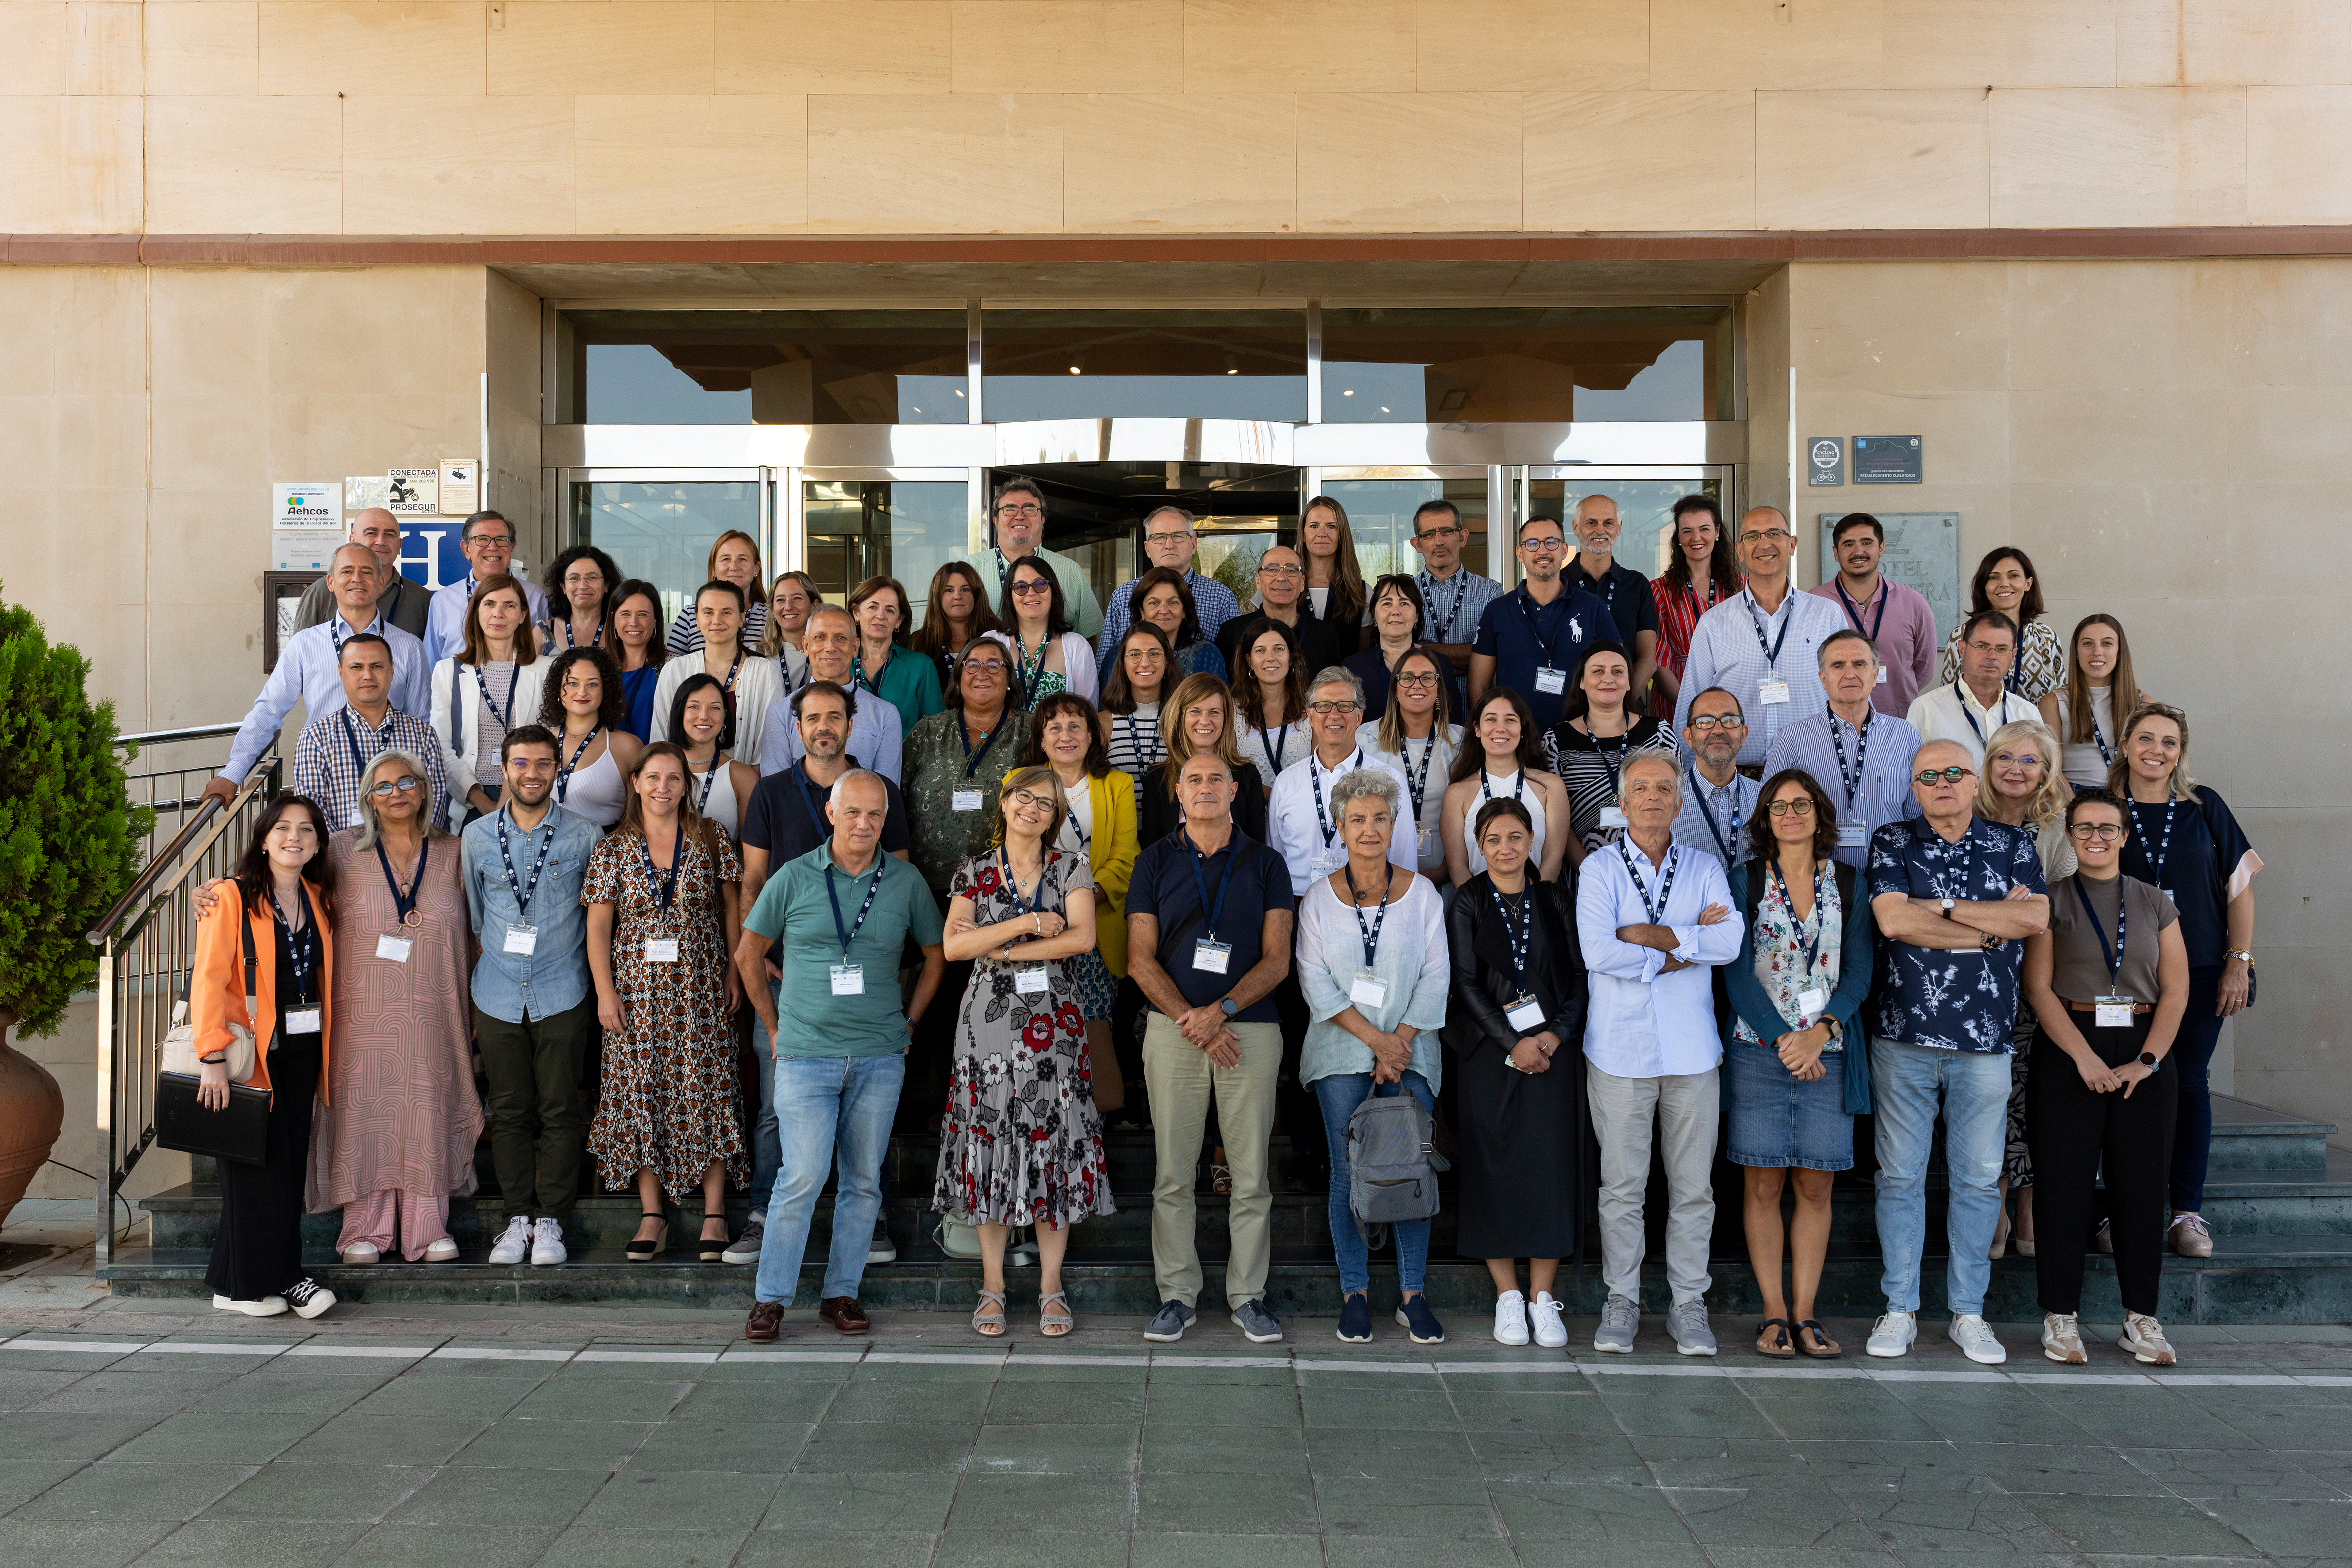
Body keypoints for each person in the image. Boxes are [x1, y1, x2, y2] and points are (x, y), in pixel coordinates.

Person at [736, 769, 946, 1342]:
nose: (864, 823)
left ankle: (840, 1293)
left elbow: (935, 955)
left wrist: (909, 1020)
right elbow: (748, 952)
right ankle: (770, 1299)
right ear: (831, 813)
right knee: (801, 1174)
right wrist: (772, 1025)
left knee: (862, 1181)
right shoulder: (793, 875)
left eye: (875, 814)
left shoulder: (904, 881)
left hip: (879, 1055)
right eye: (852, 812)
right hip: (804, 1051)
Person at [1863, 738, 2051, 1365]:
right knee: (1899, 1178)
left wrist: (1936, 908)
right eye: (1927, 775)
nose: (1941, 783)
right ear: (1912, 788)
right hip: (1902, 1036)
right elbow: (1892, 920)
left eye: (1952, 773)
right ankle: (1900, 1308)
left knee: (1975, 1181)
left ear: (1974, 782)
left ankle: (1968, 1312)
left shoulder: (2013, 844)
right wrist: (1985, 929)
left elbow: (2034, 919)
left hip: (1984, 1042)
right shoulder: (1892, 840)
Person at [727, 681, 913, 1268]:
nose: (824, 726)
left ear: (852, 725)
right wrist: (756, 950)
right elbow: (752, 879)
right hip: (787, 972)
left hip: (866, 980)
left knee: (868, 1097)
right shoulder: (771, 792)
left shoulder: (880, 793)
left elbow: (899, 882)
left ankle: (870, 1212)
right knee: (777, 1103)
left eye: (835, 716)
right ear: (796, 727)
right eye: (812, 718)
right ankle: (763, 1212)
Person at [934, 765, 1116, 1338]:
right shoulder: (974, 868)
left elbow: (1082, 936)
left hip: (1052, 1028)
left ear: (1053, 814)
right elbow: (954, 944)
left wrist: (1008, 952)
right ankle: (991, 1287)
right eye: (1023, 797)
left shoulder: (1070, 866)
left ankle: (1050, 1287)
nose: (1031, 807)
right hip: (983, 1032)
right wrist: (1028, 923)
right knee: (988, 1143)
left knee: (1050, 1146)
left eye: (1044, 801)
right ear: (1005, 802)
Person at [1126, 751, 1297, 1346]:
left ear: (1233, 792)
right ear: (1178, 792)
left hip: (1248, 1031)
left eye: (1215, 780)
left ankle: (1247, 1295)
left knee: (1249, 1175)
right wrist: (1191, 1018)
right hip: (1173, 1032)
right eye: (1193, 779)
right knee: (1173, 1174)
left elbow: (1277, 958)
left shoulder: (1266, 862)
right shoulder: (1153, 861)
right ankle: (1177, 1294)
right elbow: (1138, 958)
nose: (1204, 788)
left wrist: (1219, 1011)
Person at [1576, 752, 1741, 1355]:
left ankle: (1687, 1302)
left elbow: (1728, 940)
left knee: (1693, 1187)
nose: (1651, 796)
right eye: (1639, 788)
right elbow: (1597, 950)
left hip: (1692, 1050)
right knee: (1622, 1186)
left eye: (1663, 788)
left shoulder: (1702, 867)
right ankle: (1621, 1299)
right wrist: (1682, 945)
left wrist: (1645, 936)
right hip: (1618, 1052)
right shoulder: (1597, 869)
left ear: (1678, 802)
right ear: (1622, 803)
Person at [2023, 787, 2192, 1367]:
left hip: (2143, 1055)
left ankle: (2140, 1316)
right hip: (2070, 1049)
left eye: (2106, 827)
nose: (2095, 837)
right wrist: (2083, 1059)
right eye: (2084, 827)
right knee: (2062, 1188)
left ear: (2123, 835)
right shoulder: (2051, 900)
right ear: (2068, 835)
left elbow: (2175, 988)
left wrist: (2144, 1061)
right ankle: (2059, 1315)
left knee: (2141, 1191)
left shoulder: (2153, 902)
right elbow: (2038, 988)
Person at [1722, 769, 1876, 1360]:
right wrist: (1785, 1039)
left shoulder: (1847, 880)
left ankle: (1806, 1311)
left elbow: (1858, 971)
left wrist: (1819, 1033)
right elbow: (1735, 974)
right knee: (1762, 1181)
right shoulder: (1746, 880)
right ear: (1765, 817)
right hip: (1757, 1049)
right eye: (1779, 805)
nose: (1790, 813)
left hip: (1829, 1052)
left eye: (1801, 803)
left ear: (1818, 814)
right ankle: (1772, 1313)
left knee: (1815, 1184)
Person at [1295, 769, 1451, 1345]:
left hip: (1412, 1047)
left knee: (1407, 1168)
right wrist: (1373, 1040)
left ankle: (1413, 1295)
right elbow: (1314, 981)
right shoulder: (1316, 898)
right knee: (1349, 1171)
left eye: (1378, 818)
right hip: (1340, 1049)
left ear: (1393, 825)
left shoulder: (1423, 895)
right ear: (1339, 827)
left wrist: (1397, 1041)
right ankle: (1354, 1292)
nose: (1368, 828)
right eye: (1356, 819)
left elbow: (1437, 975)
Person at [311, 748, 480, 1266]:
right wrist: (217, 891)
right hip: (361, 1014)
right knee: (367, 1111)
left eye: (407, 782)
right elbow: (279, 883)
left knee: (428, 1106)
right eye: (382, 787)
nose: (397, 793)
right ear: (367, 800)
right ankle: (364, 1227)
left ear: (426, 790)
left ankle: (428, 1229)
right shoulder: (339, 851)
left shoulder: (456, 851)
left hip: (436, 1006)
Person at [585, 743, 747, 1264]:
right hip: (635, 996)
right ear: (635, 782)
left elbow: (731, 908)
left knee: (709, 1089)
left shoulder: (711, 837)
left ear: (686, 785)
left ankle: (716, 1210)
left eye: (673, 778)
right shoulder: (612, 848)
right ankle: (651, 1213)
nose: (663, 787)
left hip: (700, 991)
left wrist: (734, 970)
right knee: (641, 1093)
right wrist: (605, 992)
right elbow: (598, 926)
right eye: (652, 777)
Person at [2111, 702, 2261, 1262]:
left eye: (2168, 742)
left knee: (2189, 1084)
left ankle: (2184, 1212)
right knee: (2123, 1088)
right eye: (2145, 738)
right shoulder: (2100, 808)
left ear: (2181, 751)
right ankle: (2123, 1209)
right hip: (2119, 978)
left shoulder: (2205, 807)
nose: (2156, 750)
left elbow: (2239, 886)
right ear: (2124, 744)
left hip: (2200, 968)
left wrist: (2237, 960)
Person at [192, 793, 340, 1319]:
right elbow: (208, 978)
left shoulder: (319, 896)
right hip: (246, 1053)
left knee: (287, 1167)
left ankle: (240, 1282)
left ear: (319, 842)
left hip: (301, 1053)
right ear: (262, 837)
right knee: (256, 1169)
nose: (293, 837)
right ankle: (269, 1281)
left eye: (305, 829)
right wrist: (211, 1054)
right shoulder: (230, 897)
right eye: (282, 828)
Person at [1447, 798, 1587, 1347]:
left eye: (1514, 837)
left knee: (1551, 1166)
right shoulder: (1468, 900)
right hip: (1488, 1052)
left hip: (1553, 1051)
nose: (1504, 849)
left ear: (1531, 842)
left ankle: (1541, 1298)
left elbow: (1578, 976)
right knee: (1493, 1165)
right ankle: (1507, 1295)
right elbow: (1465, 984)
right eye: (1492, 840)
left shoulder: (1554, 897)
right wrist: (1513, 1043)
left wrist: (1552, 1036)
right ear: (1478, 848)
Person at [462, 725, 601, 1268]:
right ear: (504, 769)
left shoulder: (585, 835)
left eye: (544, 764)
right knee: (511, 1110)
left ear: (557, 769)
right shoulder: (475, 837)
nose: (533, 773)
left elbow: (596, 920)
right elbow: (474, 915)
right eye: (521, 764)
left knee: (562, 1108)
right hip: (496, 992)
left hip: (563, 989)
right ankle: (517, 1216)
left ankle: (551, 1222)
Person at [903, 642, 1032, 1117]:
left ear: (1009, 678)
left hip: (1005, 895)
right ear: (956, 677)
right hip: (932, 892)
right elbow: (898, 802)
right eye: (971, 665)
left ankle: (1000, 1107)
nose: (982, 673)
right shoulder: (926, 733)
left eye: (994, 665)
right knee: (942, 1005)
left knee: (1000, 1000)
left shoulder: (1029, 731)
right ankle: (945, 1109)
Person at [207, 543, 431, 808]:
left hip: (394, 785)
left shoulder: (409, 646)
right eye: (347, 571)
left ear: (381, 583)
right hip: (324, 774)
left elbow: (421, 723)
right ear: (331, 582)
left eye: (367, 572)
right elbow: (269, 709)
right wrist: (233, 773)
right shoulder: (305, 644)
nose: (357, 579)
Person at [1978, 718, 2075, 1262]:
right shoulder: (1963, 820)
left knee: (2036, 1096)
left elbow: (2055, 911)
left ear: (2045, 772)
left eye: (2028, 761)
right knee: (1991, 1100)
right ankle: (1992, 1197)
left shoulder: (2056, 829)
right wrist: (2005, 915)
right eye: (2004, 759)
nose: (2015, 769)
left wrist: (2023, 915)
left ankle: (2029, 1203)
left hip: (2042, 982)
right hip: (1976, 980)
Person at [1017, 694, 1138, 1117]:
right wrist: (1044, 909)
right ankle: (1042, 1126)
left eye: (1075, 726)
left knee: (1093, 1031)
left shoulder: (1116, 785)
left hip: (1095, 930)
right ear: (1041, 739)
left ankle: (1091, 1136)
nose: (1066, 736)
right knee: (1037, 1028)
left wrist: (1081, 906)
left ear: (1092, 736)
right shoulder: (1020, 782)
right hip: (1036, 924)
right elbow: (1009, 850)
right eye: (1055, 728)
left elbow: (1125, 858)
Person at [1673, 507, 1844, 767]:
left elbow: (1848, 694)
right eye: (1753, 537)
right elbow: (1691, 704)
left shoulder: (1827, 616)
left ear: (1792, 544)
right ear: (1740, 551)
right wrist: (1687, 782)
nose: (1764, 544)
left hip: (1814, 773)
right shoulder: (1714, 623)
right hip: (1736, 778)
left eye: (1774, 534)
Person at [1762, 630, 1923, 871]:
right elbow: (1772, 814)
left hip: (1892, 876)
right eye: (1838, 666)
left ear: (1875, 674)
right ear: (1823, 678)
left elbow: (1917, 813)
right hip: (1819, 879)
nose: (1850, 674)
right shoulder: (1791, 739)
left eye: (1860, 664)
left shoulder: (1905, 735)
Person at [1267, 670, 1414, 894]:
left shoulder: (1390, 780)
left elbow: (1404, 861)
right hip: (1296, 903)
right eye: (1324, 706)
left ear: (1359, 716)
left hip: (1364, 904)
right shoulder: (1286, 782)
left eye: (1345, 706)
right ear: (1310, 716)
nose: (1334, 715)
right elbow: (1274, 858)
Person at [292, 632, 451, 835]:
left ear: (392, 670)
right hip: (341, 859)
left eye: (377, 666)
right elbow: (311, 809)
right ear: (341, 673)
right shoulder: (315, 737)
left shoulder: (423, 734)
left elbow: (434, 804)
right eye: (356, 667)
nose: (367, 675)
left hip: (411, 857)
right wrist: (345, 853)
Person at [1469, 514, 1613, 733]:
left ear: (1564, 550)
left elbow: (1617, 673)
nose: (1542, 551)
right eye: (1532, 544)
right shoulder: (1497, 611)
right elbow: (1479, 686)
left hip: (1582, 739)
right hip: (1515, 739)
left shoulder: (1593, 607)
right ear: (1520, 553)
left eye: (1551, 542)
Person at [430, 574, 550, 830]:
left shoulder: (547, 671)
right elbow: (441, 747)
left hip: (532, 798)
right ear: (476, 612)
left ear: (522, 615)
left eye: (510, 606)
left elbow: (554, 740)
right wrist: (481, 801)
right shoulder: (447, 672)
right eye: (489, 604)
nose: (499, 614)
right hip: (472, 804)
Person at [1546, 640, 1678, 857]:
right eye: (1598, 671)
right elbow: (1554, 819)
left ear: (1628, 682)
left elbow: (1673, 803)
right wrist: (1588, 869)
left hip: (1652, 866)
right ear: (1581, 681)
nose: (1608, 679)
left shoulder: (1659, 733)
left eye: (1618, 671)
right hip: (1581, 872)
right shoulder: (1555, 741)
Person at [1811, 513, 1937, 717]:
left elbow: (1924, 667)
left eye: (1867, 543)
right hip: (1832, 723)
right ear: (1836, 553)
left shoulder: (1914, 603)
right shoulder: (1814, 603)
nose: (1858, 552)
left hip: (1900, 722)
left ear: (1882, 548)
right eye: (1848, 545)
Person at [760, 604, 905, 781]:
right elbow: (776, 794)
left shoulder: (886, 716)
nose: (830, 647)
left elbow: (886, 794)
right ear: (806, 646)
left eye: (841, 638)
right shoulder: (780, 715)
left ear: (855, 647)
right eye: (820, 637)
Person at [1442, 687, 1571, 885]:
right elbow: (1457, 867)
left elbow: (1553, 859)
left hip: (1536, 905)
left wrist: (1532, 903)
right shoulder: (1457, 794)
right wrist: (1482, 909)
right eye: (1491, 719)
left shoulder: (1551, 788)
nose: (1500, 728)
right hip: (1478, 910)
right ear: (1477, 729)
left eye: (1510, 720)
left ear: (1523, 731)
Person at [1094, 505, 1244, 672]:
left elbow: (1236, 667)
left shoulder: (1221, 597)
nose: (1169, 545)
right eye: (1159, 537)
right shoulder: (1122, 596)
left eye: (1178, 536)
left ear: (1194, 545)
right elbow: (1104, 667)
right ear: (1147, 548)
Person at [654, 580, 785, 765]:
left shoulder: (764, 672)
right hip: (684, 785)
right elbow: (660, 739)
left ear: (741, 618)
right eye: (708, 612)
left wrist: (744, 785)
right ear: (697, 619)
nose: (717, 620)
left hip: (747, 785)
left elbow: (773, 746)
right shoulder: (675, 671)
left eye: (727, 612)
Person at [1358, 645, 1460, 882]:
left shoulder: (1461, 744)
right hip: (1381, 875)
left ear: (1438, 690)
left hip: (1447, 873)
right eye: (1407, 678)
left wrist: (1445, 870)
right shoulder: (1364, 739)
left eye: (1427, 678)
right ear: (1395, 689)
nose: (1417, 685)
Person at [963, 474, 1104, 640]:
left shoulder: (1070, 570)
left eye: (1030, 509)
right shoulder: (970, 569)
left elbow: (1090, 638)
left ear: (1043, 519)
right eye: (1010, 509)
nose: (1020, 516)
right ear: (995, 520)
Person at [1137, 674, 1269, 846]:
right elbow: (1153, 853)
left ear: (1226, 718)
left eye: (1214, 712)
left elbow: (1257, 851)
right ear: (1180, 716)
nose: (1205, 721)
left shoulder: (1247, 776)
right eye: (1195, 711)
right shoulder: (1157, 779)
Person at [1906, 610, 2040, 768]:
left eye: (2002, 649)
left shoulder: (2027, 713)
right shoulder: (1926, 708)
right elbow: (1910, 773)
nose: (1992, 656)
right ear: (1962, 650)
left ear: (2013, 656)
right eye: (1982, 646)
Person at [1650, 495, 1743, 717]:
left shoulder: (1741, 587)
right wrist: (1691, 709)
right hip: (1676, 699)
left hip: (1732, 696)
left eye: (1705, 529)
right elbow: (1658, 659)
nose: (1696, 538)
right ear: (1678, 537)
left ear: (1718, 532)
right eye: (1687, 531)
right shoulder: (1659, 590)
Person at [1563, 497, 1661, 707]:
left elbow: (1648, 660)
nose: (1600, 531)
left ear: (1619, 528)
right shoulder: (1559, 584)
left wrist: (1618, 705)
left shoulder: (1637, 585)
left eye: (1608, 523)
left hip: (1626, 712)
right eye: (1591, 523)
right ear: (1575, 527)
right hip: (1567, 712)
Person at [533, 647, 643, 831]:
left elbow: (640, 815)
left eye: (592, 684)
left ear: (605, 690)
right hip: (546, 853)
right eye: (573, 684)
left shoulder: (628, 746)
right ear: (558, 689)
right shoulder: (540, 743)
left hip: (604, 854)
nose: (582, 692)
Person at [2041, 613, 2153, 790]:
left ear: (2119, 653)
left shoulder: (2142, 702)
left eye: (2107, 643)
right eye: (2087, 643)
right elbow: (2051, 770)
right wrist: (2075, 808)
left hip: (2126, 794)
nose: (2097, 652)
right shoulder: (2054, 702)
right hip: (2072, 794)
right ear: (2077, 653)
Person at [425, 511, 549, 666]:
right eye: (482, 539)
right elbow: (431, 664)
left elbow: (545, 656)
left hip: (519, 688)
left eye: (501, 540)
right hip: (460, 689)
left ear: (512, 548)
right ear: (466, 549)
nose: (492, 547)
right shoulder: (443, 600)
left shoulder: (535, 597)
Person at [1406, 499, 1504, 694]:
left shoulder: (1491, 591)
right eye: (1428, 534)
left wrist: (1422, 649)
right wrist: (1472, 656)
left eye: (1447, 531)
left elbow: (1497, 656)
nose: (1439, 541)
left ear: (1463, 537)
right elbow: (1397, 655)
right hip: (1419, 712)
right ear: (1417, 544)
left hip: (1473, 712)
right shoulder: (1405, 594)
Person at [1939, 547, 2063, 701]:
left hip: (2034, 724)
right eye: (1994, 578)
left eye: (2014, 576)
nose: (2004, 584)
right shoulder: (1962, 635)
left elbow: (2060, 699)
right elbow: (1947, 697)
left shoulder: (2046, 637)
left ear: (2028, 584)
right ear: (1984, 586)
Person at [1217, 543, 1348, 680]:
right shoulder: (1232, 632)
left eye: (1291, 570)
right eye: (1272, 569)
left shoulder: (1325, 635)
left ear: (1303, 582)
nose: (1281, 577)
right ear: (1258, 581)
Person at [293, 508, 427, 639]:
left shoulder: (421, 599)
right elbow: (301, 649)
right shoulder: (321, 591)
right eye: (371, 533)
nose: (381, 541)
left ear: (399, 545)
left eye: (389, 535)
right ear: (353, 541)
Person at [986, 555, 1100, 709]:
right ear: (1010, 596)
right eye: (1021, 587)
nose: (1031, 593)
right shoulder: (991, 642)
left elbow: (1087, 714)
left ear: (1053, 592)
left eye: (1040, 585)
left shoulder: (1077, 646)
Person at [1672, 687, 1759, 867]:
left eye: (1729, 720)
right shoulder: (1667, 800)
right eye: (1704, 722)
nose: (1718, 730)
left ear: (1743, 735)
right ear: (1689, 737)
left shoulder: (1765, 799)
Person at [668, 674, 762, 840]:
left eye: (715, 708)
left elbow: (750, 853)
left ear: (725, 716)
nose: (704, 716)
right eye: (694, 707)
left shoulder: (743, 777)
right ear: (680, 712)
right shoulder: (657, 768)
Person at [848, 574, 945, 732]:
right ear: (856, 613)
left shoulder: (920, 667)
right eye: (873, 607)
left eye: (890, 610)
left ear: (899, 620)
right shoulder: (840, 663)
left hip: (906, 757)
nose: (880, 616)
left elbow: (936, 730)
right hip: (849, 757)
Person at [1235, 619, 1311, 794]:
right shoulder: (1233, 711)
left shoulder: (1311, 709)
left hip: (1298, 813)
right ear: (1250, 662)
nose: (1271, 658)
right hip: (1250, 815)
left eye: (1279, 649)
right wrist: (1275, 798)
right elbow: (1232, 772)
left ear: (1291, 658)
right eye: (1261, 651)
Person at [665, 529, 770, 654]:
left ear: (756, 569)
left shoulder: (771, 617)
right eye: (726, 559)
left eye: (742, 559)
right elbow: (672, 666)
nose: (734, 567)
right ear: (714, 569)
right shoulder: (690, 615)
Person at [1342, 574, 1428, 722]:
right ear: (1374, 616)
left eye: (1405, 604)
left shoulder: (1438, 666)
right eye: (1387, 604)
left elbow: (1450, 726)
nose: (1395, 611)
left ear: (1417, 617)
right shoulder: (1351, 668)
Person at [908, 560, 1001, 694]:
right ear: (937, 596)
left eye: (965, 590)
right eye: (949, 590)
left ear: (976, 595)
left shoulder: (997, 638)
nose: (957, 596)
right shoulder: (919, 643)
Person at [1098, 623, 1170, 780]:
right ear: (1123, 665)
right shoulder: (1103, 723)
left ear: (1167, 661)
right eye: (1135, 655)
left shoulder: (1183, 719)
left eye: (1155, 653)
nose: (1145, 663)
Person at [1130, 566, 1226, 684]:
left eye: (1173, 603)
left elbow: (1221, 700)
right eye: (1154, 603)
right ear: (1142, 612)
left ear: (1184, 611)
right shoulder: (1118, 656)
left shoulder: (1208, 656)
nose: (1164, 610)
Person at [1299, 494, 1368, 634]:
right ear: (1303, 535)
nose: (1322, 533)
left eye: (1331, 527)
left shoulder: (1363, 592)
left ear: (1342, 535)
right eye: (1314, 526)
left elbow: (1362, 653)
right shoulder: (1282, 586)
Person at [610, 578, 668, 741]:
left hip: (657, 763)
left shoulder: (674, 667)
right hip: (606, 763)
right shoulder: (597, 666)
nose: (633, 623)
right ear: (614, 619)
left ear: (655, 620)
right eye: (625, 614)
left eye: (642, 615)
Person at [542, 543, 620, 655]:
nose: (583, 586)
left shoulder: (621, 629)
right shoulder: (544, 633)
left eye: (592, 577)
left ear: (607, 585)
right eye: (574, 578)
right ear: (563, 586)